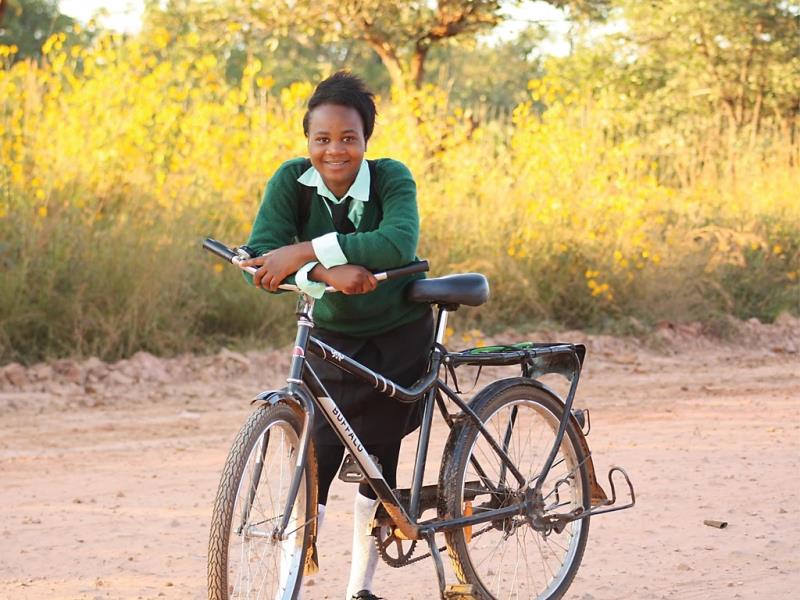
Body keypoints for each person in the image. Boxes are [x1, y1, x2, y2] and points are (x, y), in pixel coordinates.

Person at [241, 71, 433, 600]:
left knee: (379, 459)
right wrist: (327, 274)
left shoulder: (393, 178)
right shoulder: (290, 181)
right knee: (318, 458)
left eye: (348, 138)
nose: (335, 150)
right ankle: (288, 589)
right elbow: (260, 256)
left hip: (397, 332)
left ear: (366, 140)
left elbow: (396, 243)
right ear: (307, 141)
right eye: (321, 139)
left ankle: (360, 590)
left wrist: (304, 252)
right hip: (331, 335)